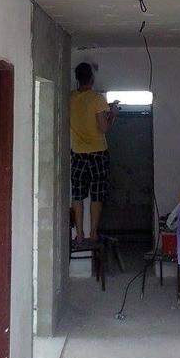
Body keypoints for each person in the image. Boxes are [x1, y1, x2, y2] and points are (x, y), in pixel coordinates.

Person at [70, 62, 119, 244]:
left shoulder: (70, 97)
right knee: (97, 194)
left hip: (77, 153)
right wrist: (113, 114)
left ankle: (79, 235)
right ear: (91, 78)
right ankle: (93, 233)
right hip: (98, 153)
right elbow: (104, 128)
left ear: (77, 78)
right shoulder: (97, 99)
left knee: (77, 194)